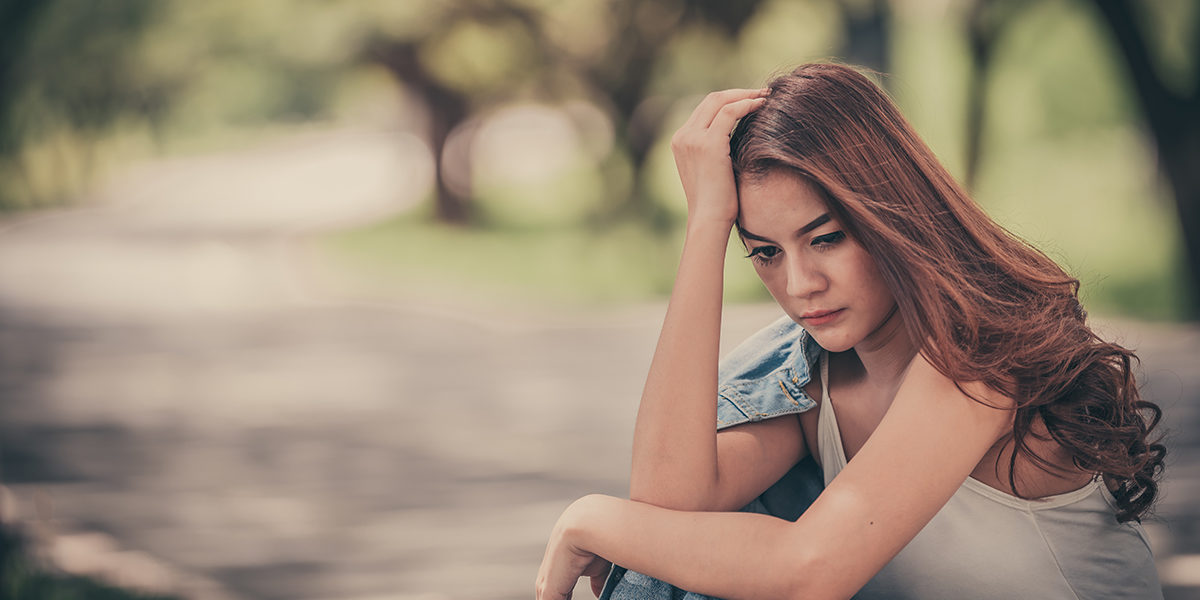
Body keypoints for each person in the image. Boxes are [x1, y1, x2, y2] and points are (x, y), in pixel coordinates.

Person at [534, 62, 1166, 600]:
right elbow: (666, 507)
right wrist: (706, 225)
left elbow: (813, 570)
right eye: (765, 253)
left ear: (895, 212)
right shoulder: (813, 381)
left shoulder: (978, 357)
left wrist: (586, 518)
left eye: (826, 238)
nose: (801, 284)